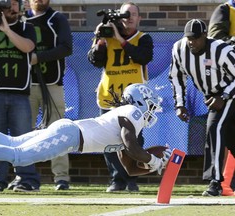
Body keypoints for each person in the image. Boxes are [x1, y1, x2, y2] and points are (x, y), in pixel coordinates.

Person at [0, 84, 171, 182]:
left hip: (69, 133)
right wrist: (153, 160)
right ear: (140, 102)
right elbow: (132, 148)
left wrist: (153, 166)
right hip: (70, 136)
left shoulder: (127, 121)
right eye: (150, 105)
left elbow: (130, 169)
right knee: (19, 156)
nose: (151, 111)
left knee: (13, 142)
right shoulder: (132, 112)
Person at [87, 2, 153, 192]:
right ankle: (117, 180)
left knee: (133, 140)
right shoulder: (107, 37)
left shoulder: (143, 38)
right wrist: (100, 39)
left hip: (135, 100)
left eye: (133, 14)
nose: (129, 18)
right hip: (110, 96)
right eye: (125, 14)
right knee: (109, 141)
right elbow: (94, 61)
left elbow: (143, 57)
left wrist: (121, 40)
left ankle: (132, 179)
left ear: (139, 18)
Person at [0, 0, 40, 193]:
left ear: (20, 7)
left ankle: (27, 179)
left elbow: (27, 47)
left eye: (14, 4)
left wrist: (6, 29)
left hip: (19, 91)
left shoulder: (26, 27)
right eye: (6, 4)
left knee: (23, 138)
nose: (10, 8)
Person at [169, 19, 235, 197]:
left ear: (205, 36)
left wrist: (224, 95)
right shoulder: (179, 49)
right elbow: (176, 77)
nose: (192, 42)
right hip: (215, 96)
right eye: (189, 38)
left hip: (229, 92)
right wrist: (180, 104)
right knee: (230, 138)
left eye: (196, 38)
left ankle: (215, 183)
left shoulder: (220, 49)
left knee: (215, 128)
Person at [13, 0, 72, 190]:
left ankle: (61, 177)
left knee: (59, 131)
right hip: (26, 85)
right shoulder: (20, 20)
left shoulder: (58, 19)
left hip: (53, 83)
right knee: (24, 133)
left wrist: (38, 57)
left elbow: (66, 48)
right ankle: (25, 177)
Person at [208, 0, 235, 196]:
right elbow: (216, 41)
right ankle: (217, 182)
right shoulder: (225, 10)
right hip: (229, 82)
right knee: (217, 129)